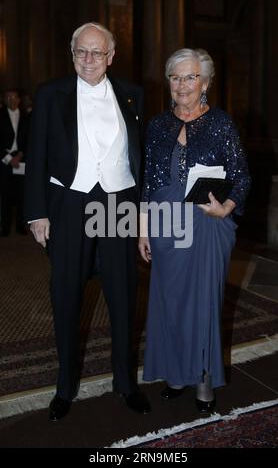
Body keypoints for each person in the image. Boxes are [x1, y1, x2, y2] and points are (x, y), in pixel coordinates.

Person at [24, 22, 150, 421]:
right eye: (82, 52)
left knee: (123, 293)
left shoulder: (133, 94)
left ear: (111, 57)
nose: (89, 59)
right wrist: (37, 212)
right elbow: (36, 155)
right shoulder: (49, 94)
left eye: (97, 52)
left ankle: (125, 383)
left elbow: (141, 158)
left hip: (118, 203)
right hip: (70, 202)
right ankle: (65, 388)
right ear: (72, 53)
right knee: (66, 295)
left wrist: (143, 214)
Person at [139, 48, 251, 413]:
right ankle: (175, 374)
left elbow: (242, 177)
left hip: (206, 225)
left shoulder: (220, 123)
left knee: (203, 304)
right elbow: (147, 181)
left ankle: (203, 377)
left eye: (190, 77)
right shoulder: (157, 125)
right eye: (175, 77)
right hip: (165, 224)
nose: (182, 84)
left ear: (204, 82)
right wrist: (142, 230)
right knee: (169, 302)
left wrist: (226, 208)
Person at [0, 90, 28, 236]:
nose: (11, 100)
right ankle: (4, 227)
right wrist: (9, 159)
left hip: (21, 159)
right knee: (5, 195)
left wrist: (21, 155)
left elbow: (30, 139)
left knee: (21, 195)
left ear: (19, 99)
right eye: (8, 97)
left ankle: (20, 225)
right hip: (4, 160)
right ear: (4, 100)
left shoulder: (27, 116)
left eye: (14, 97)